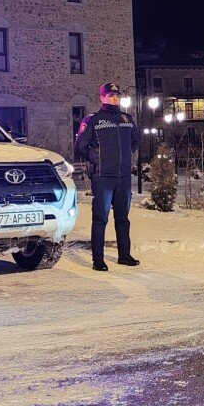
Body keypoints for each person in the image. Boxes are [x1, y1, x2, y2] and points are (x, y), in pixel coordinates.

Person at [74, 82, 140, 271]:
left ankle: (124, 256)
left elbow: (134, 142)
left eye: (117, 95)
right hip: (103, 177)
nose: (115, 98)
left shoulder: (127, 118)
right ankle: (98, 260)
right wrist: (96, 160)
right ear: (102, 97)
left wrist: (124, 158)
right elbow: (80, 146)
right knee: (100, 219)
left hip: (123, 176)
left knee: (123, 219)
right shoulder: (93, 120)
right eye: (110, 95)